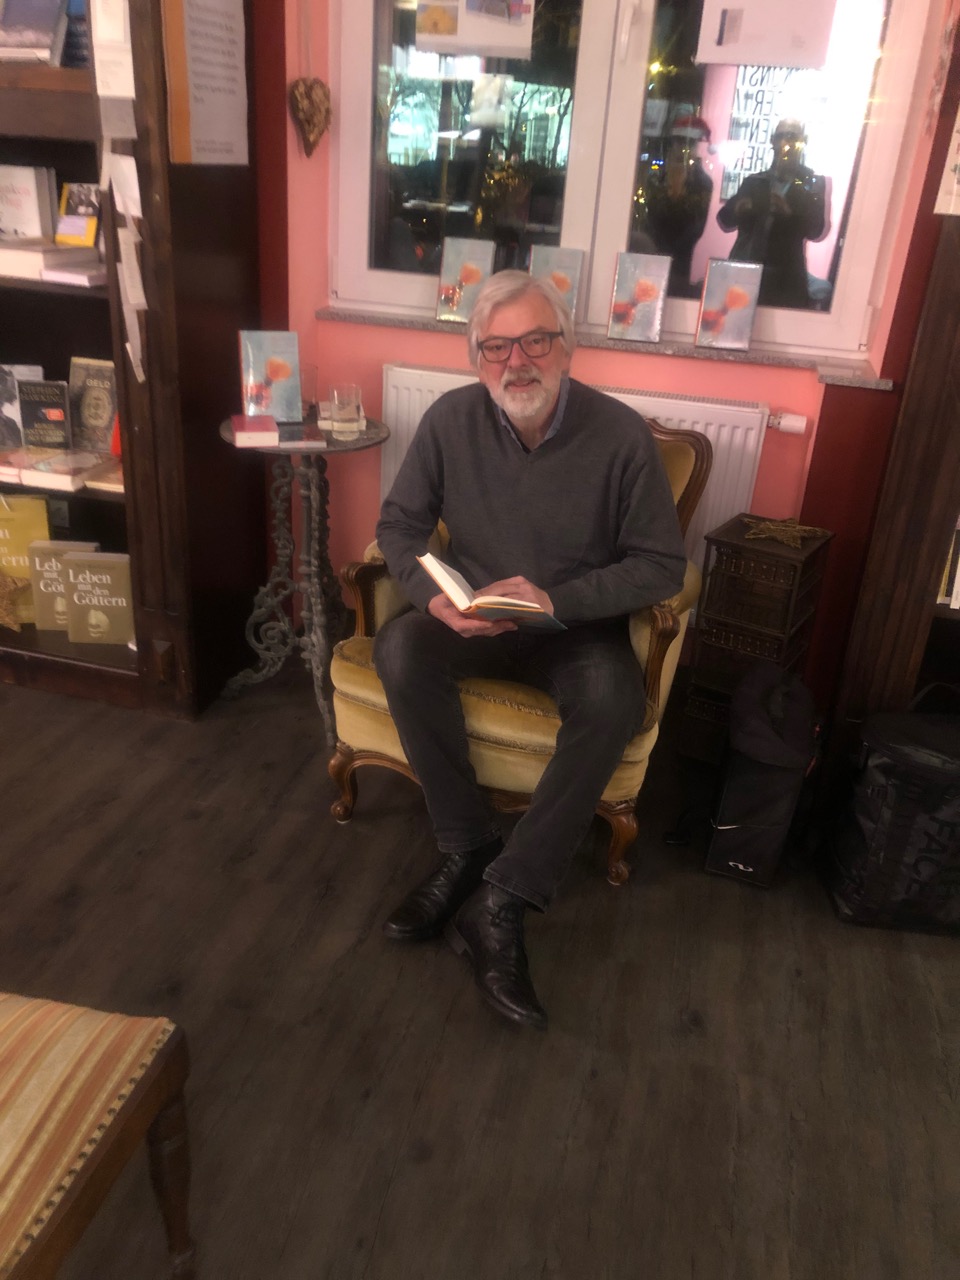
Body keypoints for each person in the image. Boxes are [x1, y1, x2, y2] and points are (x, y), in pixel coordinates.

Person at [373, 270, 687, 1029]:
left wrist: (559, 601)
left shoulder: (621, 437)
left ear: (567, 348)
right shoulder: (450, 421)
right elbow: (400, 528)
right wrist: (434, 597)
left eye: (536, 341)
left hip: (572, 631)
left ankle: (504, 899)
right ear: (477, 358)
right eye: (496, 347)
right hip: (477, 620)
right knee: (400, 647)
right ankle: (466, 847)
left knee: (613, 699)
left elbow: (660, 566)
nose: (517, 361)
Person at [716, 119, 827, 309]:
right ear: (772, 141)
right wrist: (738, 208)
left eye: (792, 137)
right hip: (746, 275)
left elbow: (815, 230)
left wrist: (789, 214)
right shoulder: (755, 182)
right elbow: (724, 221)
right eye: (780, 137)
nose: (785, 142)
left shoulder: (811, 185)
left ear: (803, 141)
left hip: (786, 280)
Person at [637, 114, 714, 297]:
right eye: (678, 143)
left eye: (688, 144)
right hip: (652, 254)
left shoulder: (702, 182)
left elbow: (696, 228)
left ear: (695, 147)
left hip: (680, 261)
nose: (682, 149)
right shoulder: (657, 178)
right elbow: (647, 216)